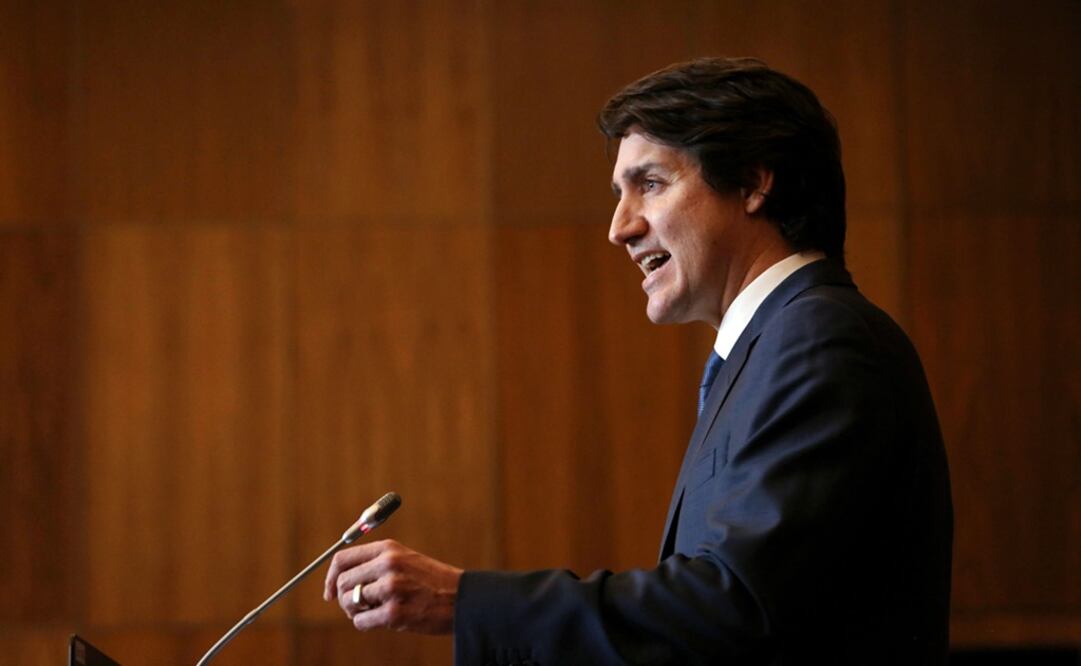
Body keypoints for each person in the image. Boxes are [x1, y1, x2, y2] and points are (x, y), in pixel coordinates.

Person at [322, 57, 953, 665]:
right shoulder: (770, 346)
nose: (619, 227)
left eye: (649, 184)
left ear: (755, 183)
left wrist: (466, 602)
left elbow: (735, 608)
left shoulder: (819, 339)